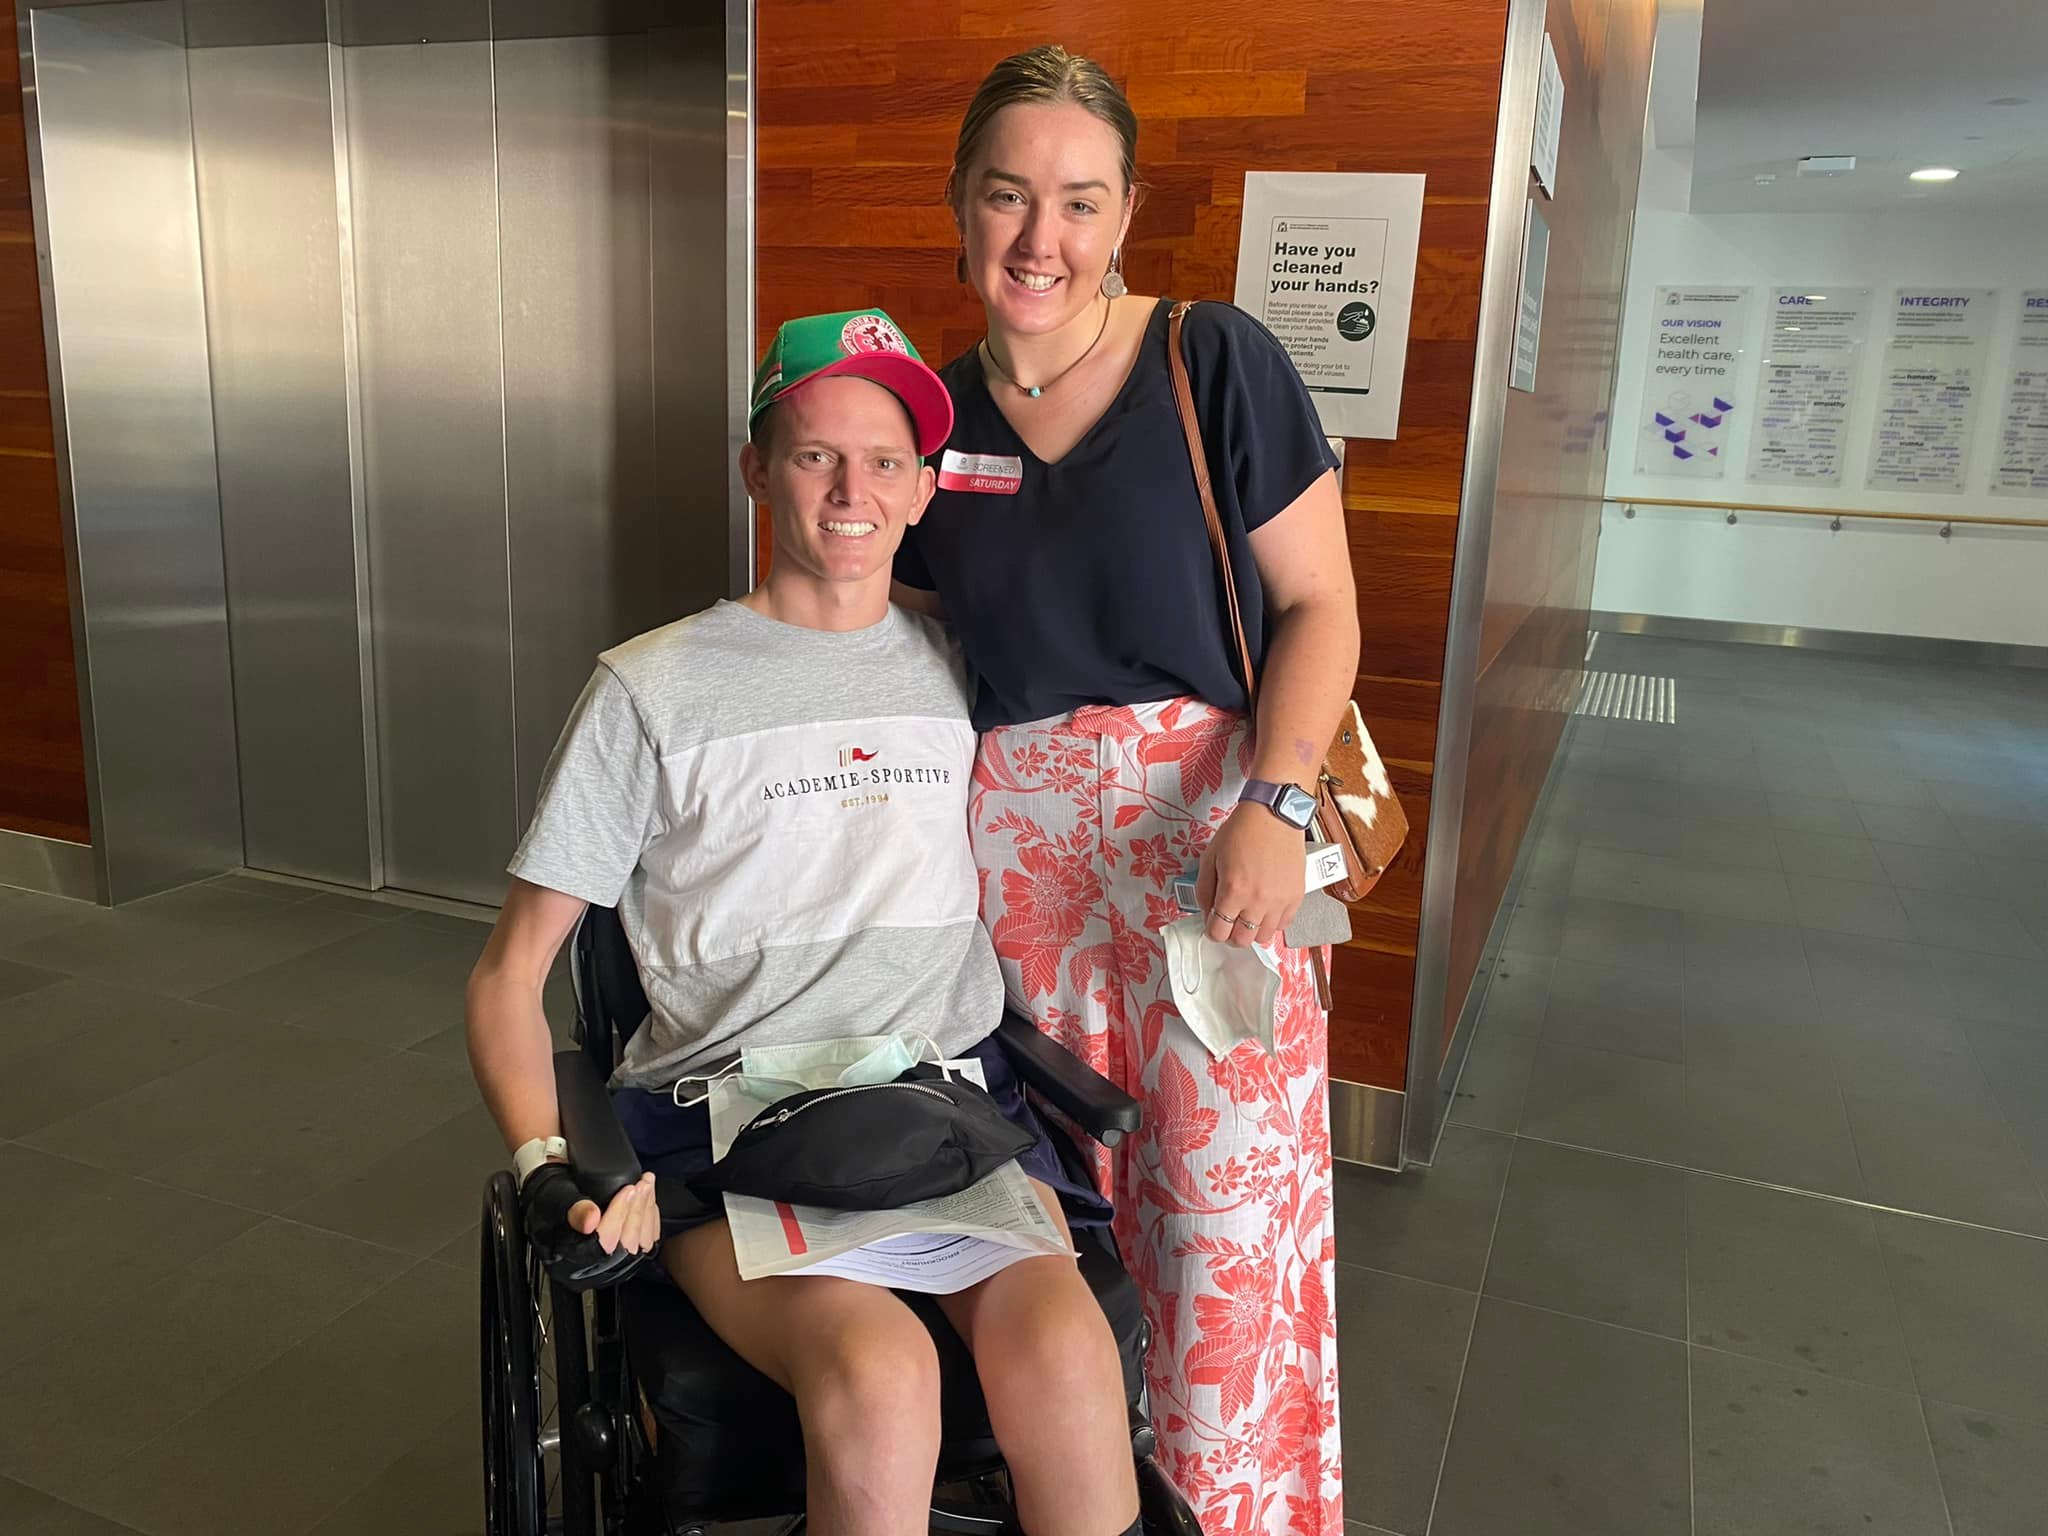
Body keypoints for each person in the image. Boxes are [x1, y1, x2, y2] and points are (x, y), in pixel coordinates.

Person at [465, 308, 1140, 1536]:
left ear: (923, 489)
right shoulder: (649, 688)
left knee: (1068, 1354)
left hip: (940, 1110)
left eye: (884, 462)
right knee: (880, 1378)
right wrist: (544, 1164)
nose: (850, 492)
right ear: (757, 470)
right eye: (815, 455)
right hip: (727, 1129)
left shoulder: (963, 672)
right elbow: (509, 975)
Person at [892, 45, 1361, 1536]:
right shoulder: (932, 417)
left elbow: (1322, 608)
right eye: (1008, 196)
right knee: (1060, 1227)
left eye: (1080, 202)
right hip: (1014, 880)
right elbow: (915, 654)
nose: (1042, 238)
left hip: (1214, 850)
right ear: (959, 204)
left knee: (1224, 1234)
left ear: (1127, 213)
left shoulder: (1209, 362)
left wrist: (1276, 808)